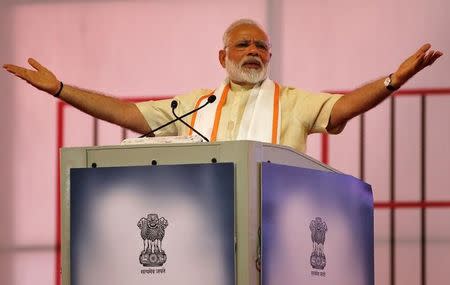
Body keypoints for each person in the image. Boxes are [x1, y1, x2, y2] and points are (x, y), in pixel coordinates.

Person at [2, 19, 443, 153]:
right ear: (223, 57)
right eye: (242, 44)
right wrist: (61, 88)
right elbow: (126, 114)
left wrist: (392, 81)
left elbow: (343, 107)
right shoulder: (196, 104)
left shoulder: (290, 102)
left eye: (261, 46)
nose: (253, 51)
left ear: (269, 57)